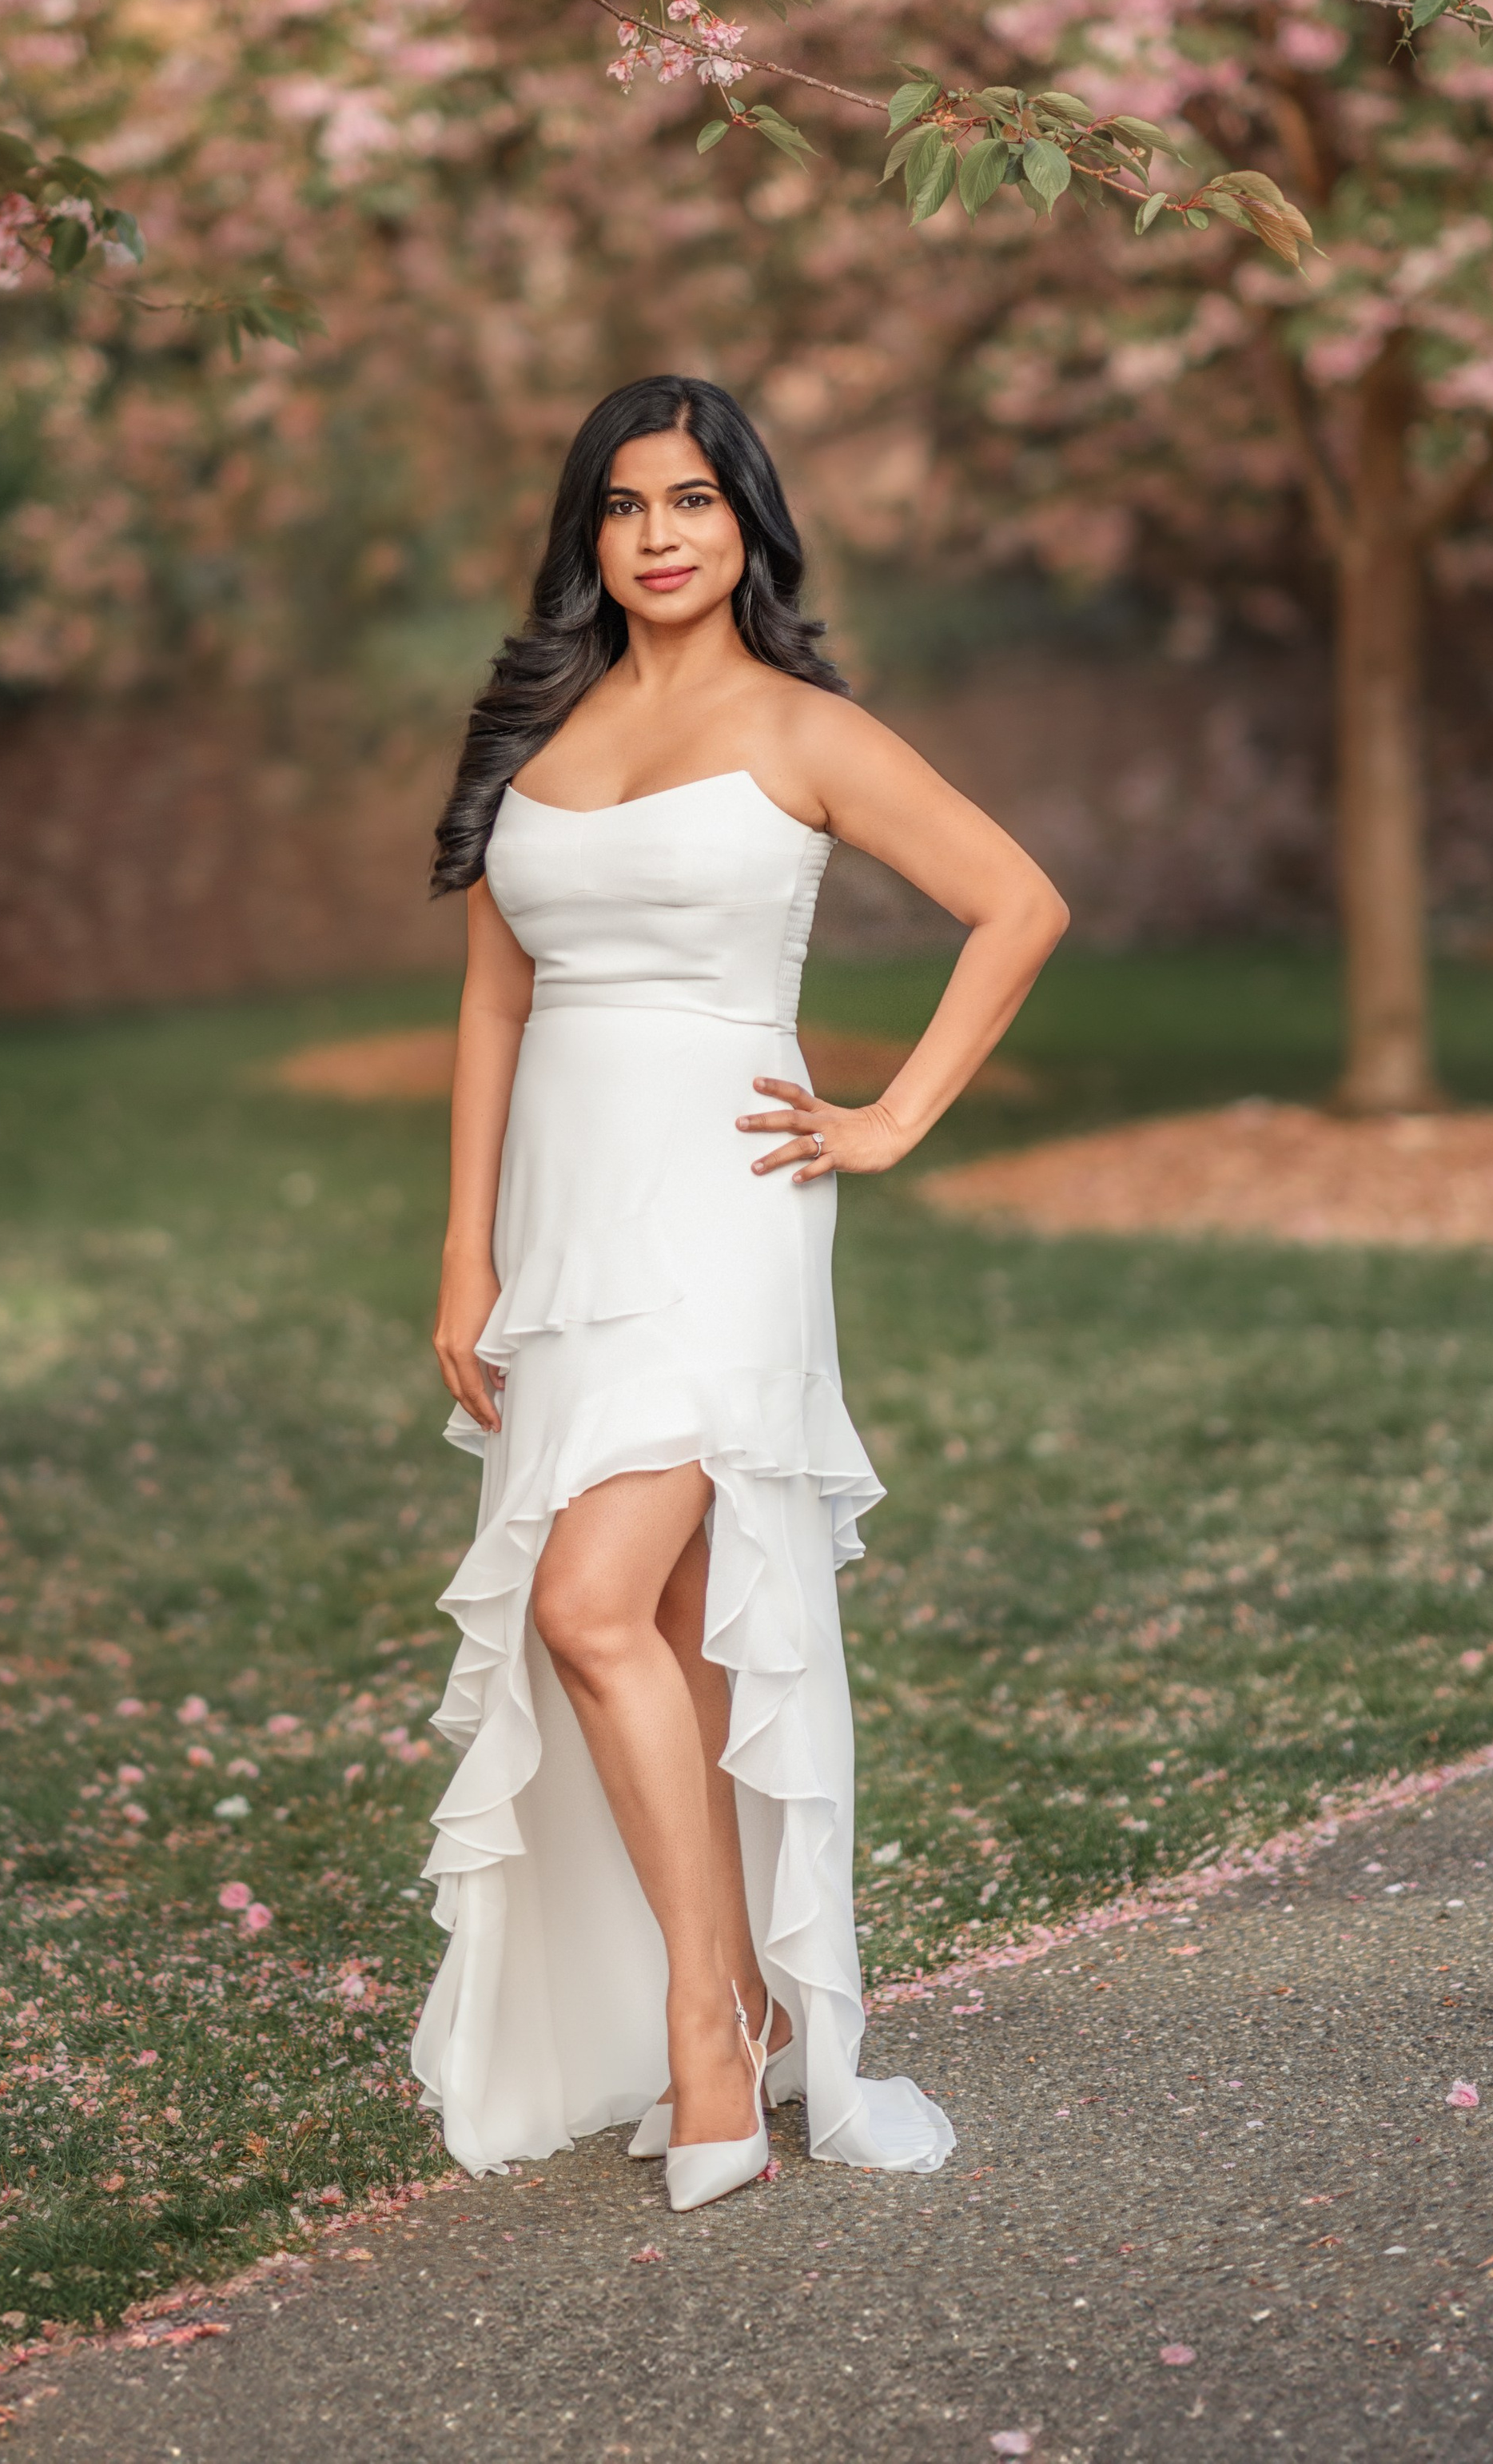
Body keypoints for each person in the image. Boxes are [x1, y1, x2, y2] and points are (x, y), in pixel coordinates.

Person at [412, 374, 1068, 2211]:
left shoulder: (802, 728)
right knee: (680, 1626)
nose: (659, 534)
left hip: (725, 1202)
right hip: (565, 1225)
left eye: (692, 499)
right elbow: (493, 1000)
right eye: (625, 504)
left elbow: (1016, 902)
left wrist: (889, 1119)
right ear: (588, 532)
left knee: (586, 1602)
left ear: (746, 523)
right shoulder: (535, 729)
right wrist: (463, 1249)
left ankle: (712, 2023)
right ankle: (748, 2008)